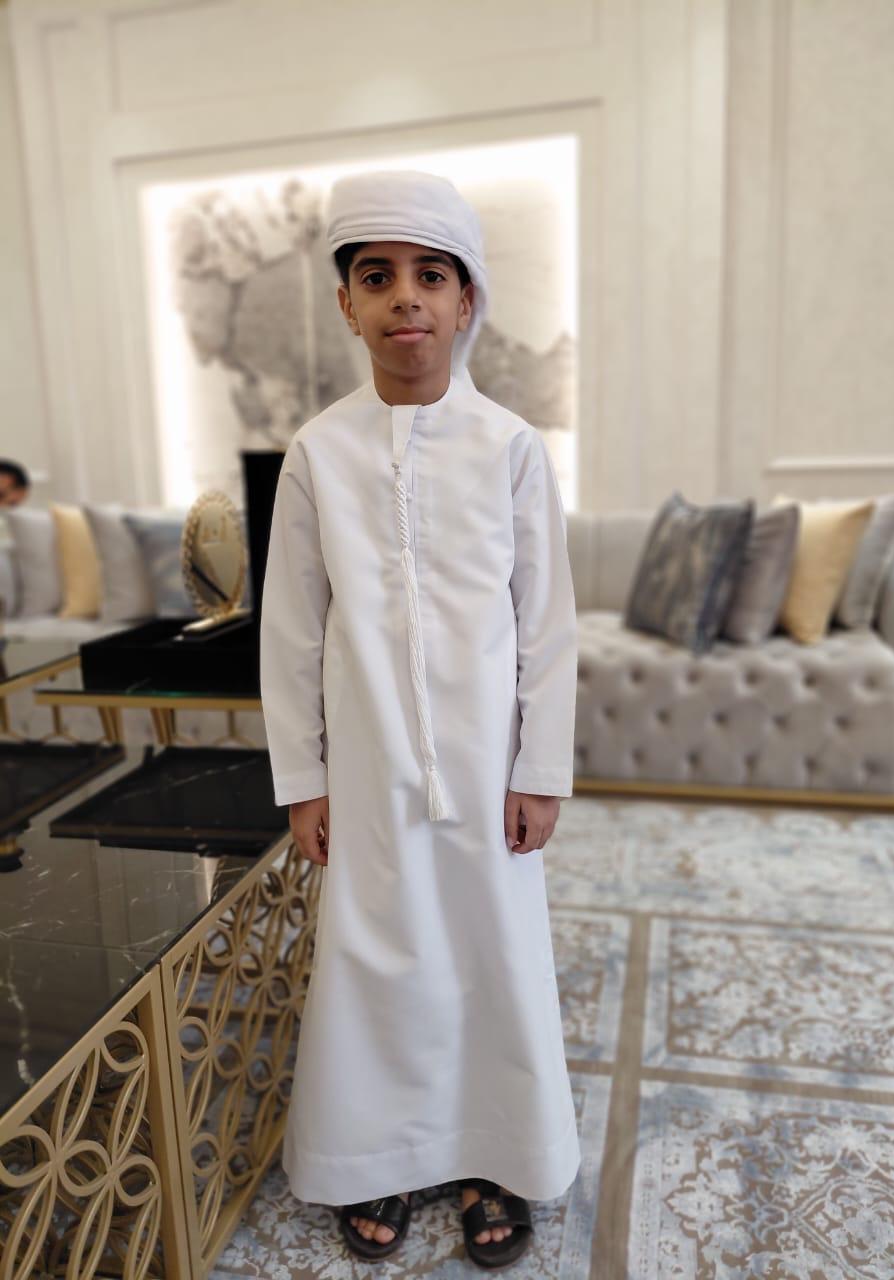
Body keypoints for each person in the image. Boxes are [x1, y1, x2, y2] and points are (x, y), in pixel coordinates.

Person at [259, 169, 580, 1268]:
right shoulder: (319, 453)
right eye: (377, 275)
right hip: (369, 766)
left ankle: (496, 1155)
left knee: (492, 954)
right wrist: (304, 778)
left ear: (466, 299)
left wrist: (540, 767)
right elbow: (292, 631)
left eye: (431, 275)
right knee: (381, 960)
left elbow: (548, 624)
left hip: (491, 767)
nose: (406, 296)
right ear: (346, 304)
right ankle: (381, 1153)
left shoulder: (511, 447)